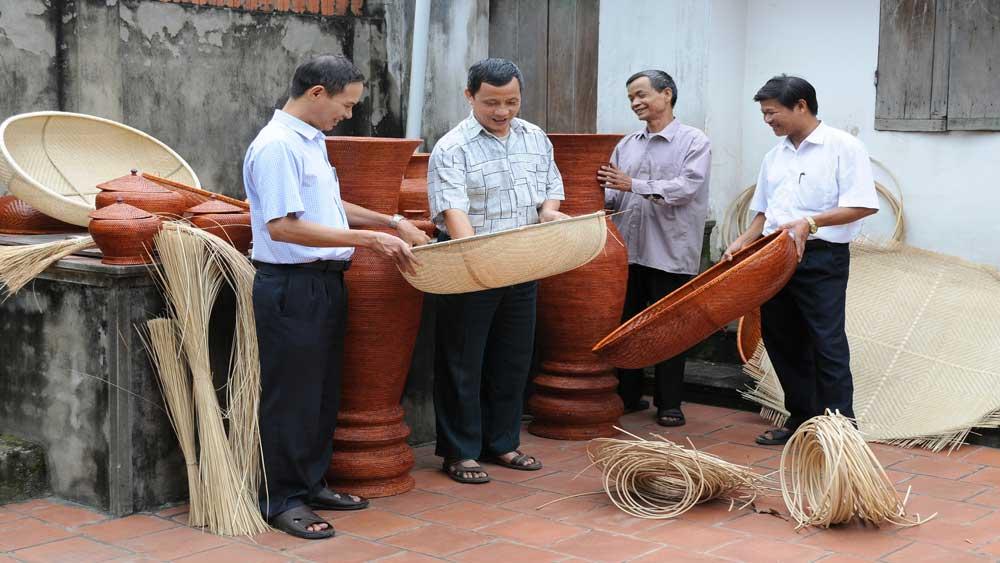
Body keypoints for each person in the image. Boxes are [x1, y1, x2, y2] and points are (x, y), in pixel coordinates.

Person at [244, 54, 430, 539]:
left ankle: (311, 482)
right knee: (292, 397)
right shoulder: (277, 147)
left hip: (324, 282)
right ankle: (282, 499)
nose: (349, 115)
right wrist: (370, 242)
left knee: (323, 393)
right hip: (290, 286)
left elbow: (329, 206)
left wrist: (391, 221)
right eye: (346, 105)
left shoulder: (310, 142)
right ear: (317, 94)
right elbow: (283, 225)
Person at [427, 58, 568, 484]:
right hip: (469, 266)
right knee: (463, 361)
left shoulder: (535, 137)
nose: (503, 111)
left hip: (522, 262)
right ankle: (460, 451)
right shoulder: (452, 147)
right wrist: (479, 257)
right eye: (492, 102)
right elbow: (454, 214)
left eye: (511, 102)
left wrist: (549, 215)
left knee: (512, 358)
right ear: (470, 96)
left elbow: (550, 191)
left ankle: (503, 442)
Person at [724, 74, 878, 446]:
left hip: (821, 258)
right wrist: (742, 242)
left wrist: (811, 223)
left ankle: (841, 428)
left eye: (771, 112)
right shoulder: (774, 157)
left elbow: (861, 206)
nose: (767, 121)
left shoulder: (843, 147)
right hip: (774, 256)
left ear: (801, 106)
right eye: (763, 114)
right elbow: (763, 212)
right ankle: (801, 418)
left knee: (826, 339)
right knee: (781, 339)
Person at [600, 70, 711, 427]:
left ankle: (669, 403)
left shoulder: (694, 141)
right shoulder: (626, 144)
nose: (635, 103)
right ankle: (628, 396)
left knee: (669, 329)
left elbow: (686, 188)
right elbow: (612, 194)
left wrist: (633, 184)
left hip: (670, 252)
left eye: (642, 95)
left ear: (667, 94)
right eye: (631, 97)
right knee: (627, 325)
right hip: (627, 251)